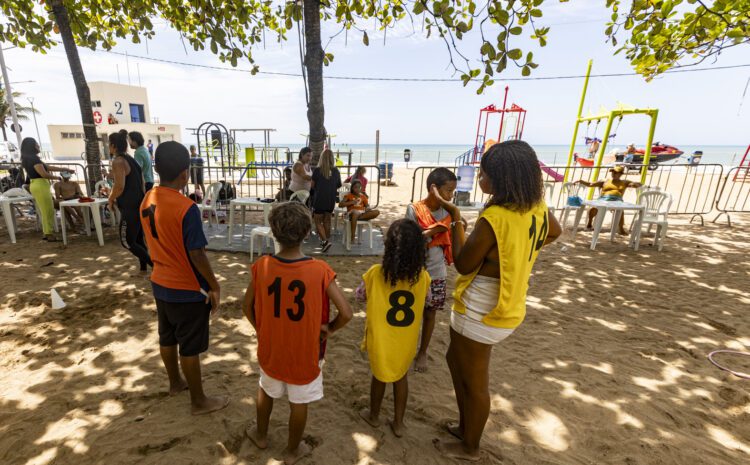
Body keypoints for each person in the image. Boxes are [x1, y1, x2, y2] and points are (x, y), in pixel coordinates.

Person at [433, 141, 561, 461]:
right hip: (504, 304)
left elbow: (463, 263)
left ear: (502, 180)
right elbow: (554, 231)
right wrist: (513, 254)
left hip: (482, 308)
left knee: (475, 382)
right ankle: (465, 428)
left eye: (484, 173)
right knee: (454, 360)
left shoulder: (495, 216)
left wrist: (456, 218)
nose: (480, 178)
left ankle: (470, 446)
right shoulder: (537, 207)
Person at [243, 202, 352, 465]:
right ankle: (293, 451)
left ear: (273, 232)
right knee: (299, 401)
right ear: (307, 233)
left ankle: (261, 435)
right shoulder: (320, 270)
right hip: (306, 350)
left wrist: (262, 328)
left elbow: (247, 307)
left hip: (272, 348)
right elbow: (346, 313)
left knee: (266, 391)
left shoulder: (262, 266)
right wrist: (330, 329)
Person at [139, 141, 229, 415]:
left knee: (167, 337)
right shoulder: (186, 207)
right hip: (186, 287)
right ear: (184, 174)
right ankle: (199, 401)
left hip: (160, 281)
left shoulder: (147, 198)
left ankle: (175, 382)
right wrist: (214, 285)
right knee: (189, 345)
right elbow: (197, 253)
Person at [356, 218, 430, 438]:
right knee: (401, 376)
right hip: (405, 340)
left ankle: (374, 416)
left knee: (378, 376)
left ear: (388, 248)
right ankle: (398, 423)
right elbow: (426, 302)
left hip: (380, 338)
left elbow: (361, 296)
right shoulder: (423, 278)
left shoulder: (375, 273)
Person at [405, 167, 458, 373]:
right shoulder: (415, 209)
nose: (451, 195)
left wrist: (432, 231)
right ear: (433, 189)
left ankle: (422, 351)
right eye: (448, 190)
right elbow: (410, 238)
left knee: (430, 313)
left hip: (436, 271)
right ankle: (408, 348)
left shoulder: (450, 211)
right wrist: (436, 230)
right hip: (414, 270)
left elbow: (457, 231)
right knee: (410, 312)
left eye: (453, 191)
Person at [108, 132, 153, 272]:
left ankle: (156, 267)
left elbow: (119, 186)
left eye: (108, 144)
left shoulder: (118, 161)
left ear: (113, 146)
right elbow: (143, 183)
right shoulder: (130, 159)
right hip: (139, 203)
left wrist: (110, 198)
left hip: (130, 207)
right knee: (138, 239)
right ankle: (143, 268)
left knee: (127, 241)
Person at [20, 137, 73, 241]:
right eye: (36, 144)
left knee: (46, 210)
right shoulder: (34, 159)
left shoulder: (30, 158)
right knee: (47, 210)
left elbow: (47, 167)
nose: (38, 146)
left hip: (36, 184)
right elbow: (44, 173)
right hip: (40, 185)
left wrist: (64, 168)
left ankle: (47, 232)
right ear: (32, 146)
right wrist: (57, 177)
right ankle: (49, 234)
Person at [577, 165, 642, 234]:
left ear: (621, 174)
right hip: (603, 199)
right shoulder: (605, 181)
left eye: (616, 172)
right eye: (612, 172)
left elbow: (639, 184)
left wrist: (635, 184)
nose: (613, 174)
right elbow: (590, 184)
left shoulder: (625, 182)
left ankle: (621, 228)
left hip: (617, 200)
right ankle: (590, 222)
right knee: (593, 208)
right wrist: (580, 181)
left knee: (620, 210)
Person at [311, 149, 342, 252]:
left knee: (318, 221)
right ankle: (326, 241)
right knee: (327, 221)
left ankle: (325, 241)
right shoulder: (336, 171)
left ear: (321, 158)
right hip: (330, 199)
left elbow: (312, 186)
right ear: (332, 158)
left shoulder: (317, 170)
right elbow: (338, 185)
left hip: (319, 199)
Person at [339, 180, 379, 245]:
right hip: (351, 214)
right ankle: (352, 237)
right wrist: (352, 202)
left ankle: (359, 217)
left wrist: (368, 208)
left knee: (377, 212)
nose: (357, 189)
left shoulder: (363, 196)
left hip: (361, 214)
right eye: (355, 187)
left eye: (359, 187)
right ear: (352, 188)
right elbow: (340, 205)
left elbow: (367, 206)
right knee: (355, 212)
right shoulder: (349, 196)